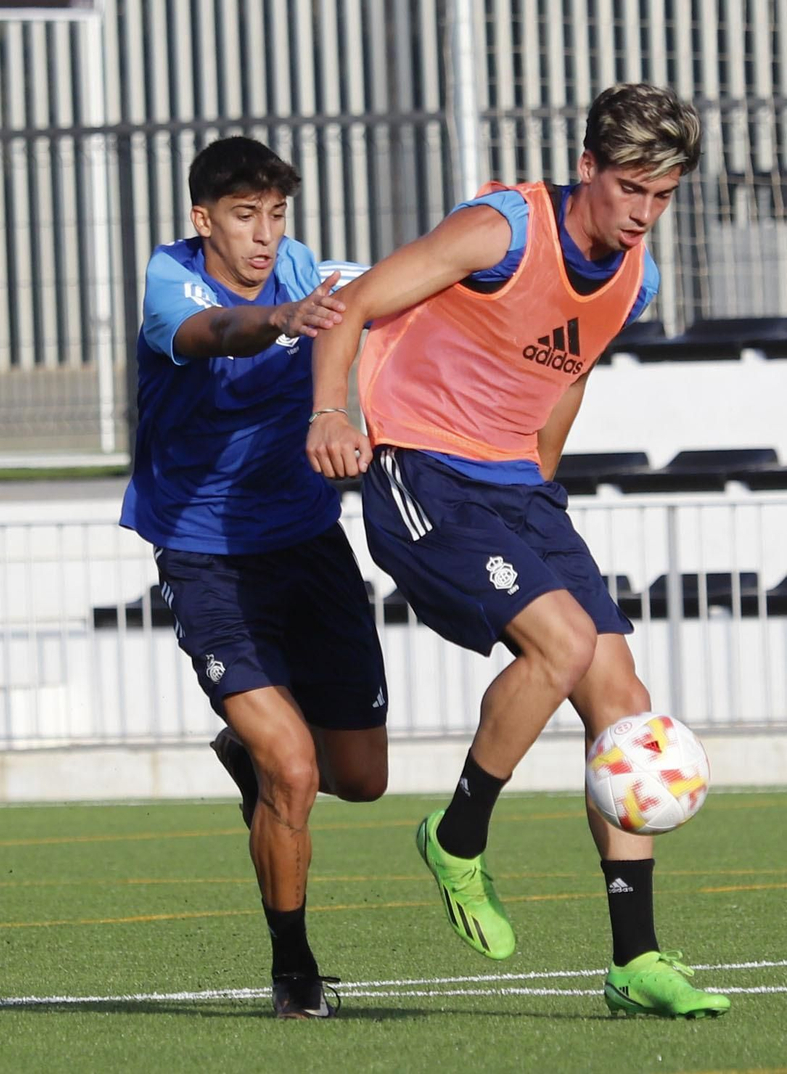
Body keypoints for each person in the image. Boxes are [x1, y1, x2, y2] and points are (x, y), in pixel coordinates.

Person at [306, 83, 729, 1018]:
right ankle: (457, 838)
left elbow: (564, 375)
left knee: (626, 710)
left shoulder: (639, 277)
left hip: (517, 490)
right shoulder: (501, 231)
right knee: (565, 643)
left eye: (663, 197)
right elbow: (354, 306)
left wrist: (542, 486)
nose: (645, 214)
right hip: (423, 470)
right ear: (588, 168)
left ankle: (635, 960)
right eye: (631, 190)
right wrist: (332, 411)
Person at [121, 136, 388, 1019]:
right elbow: (213, 333)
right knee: (294, 768)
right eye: (244, 216)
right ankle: (294, 971)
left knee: (361, 778)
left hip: (309, 543)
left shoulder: (307, 267)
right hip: (205, 555)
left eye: (276, 214)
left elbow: (384, 291)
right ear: (204, 220)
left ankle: (250, 752)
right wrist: (281, 320)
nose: (266, 236)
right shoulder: (171, 281)